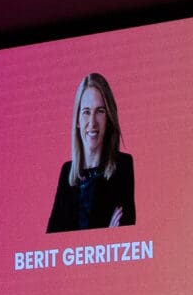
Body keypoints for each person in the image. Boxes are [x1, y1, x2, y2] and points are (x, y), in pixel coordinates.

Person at [45, 71, 136, 232]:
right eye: (86, 112)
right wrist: (105, 232)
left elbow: (123, 235)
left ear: (109, 118)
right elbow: (52, 239)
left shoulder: (122, 166)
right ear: (78, 120)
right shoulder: (67, 172)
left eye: (100, 111)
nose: (92, 122)